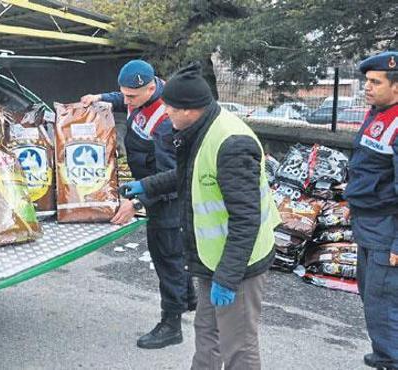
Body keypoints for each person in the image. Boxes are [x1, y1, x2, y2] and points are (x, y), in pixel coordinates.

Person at [120, 63, 281, 370]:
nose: (165, 114)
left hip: (239, 265)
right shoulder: (200, 127)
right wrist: (145, 185)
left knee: (238, 346)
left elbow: (246, 219)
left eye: (169, 109)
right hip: (212, 259)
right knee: (207, 334)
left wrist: (228, 277)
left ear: (189, 110)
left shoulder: (232, 144)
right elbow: (189, 173)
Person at [81, 59, 196, 349]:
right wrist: (101, 99)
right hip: (149, 185)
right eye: (124, 94)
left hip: (166, 197)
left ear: (151, 87)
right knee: (175, 256)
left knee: (167, 256)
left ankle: (171, 326)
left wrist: (139, 201)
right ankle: (189, 298)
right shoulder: (140, 95)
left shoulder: (165, 120)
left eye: (132, 96)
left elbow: (171, 176)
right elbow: (122, 98)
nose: (127, 101)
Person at [344, 50, 398, 370]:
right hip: (368, 223)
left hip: (386, 226)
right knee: (371, 296)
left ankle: (391, 359)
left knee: (382, 302)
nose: (367, 87)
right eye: (367, 81)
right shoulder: (376, 114)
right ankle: (384, 351)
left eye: (375, 82)